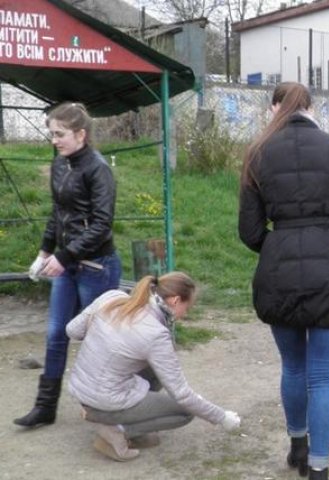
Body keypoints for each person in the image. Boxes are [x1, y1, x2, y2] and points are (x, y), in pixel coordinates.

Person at [238, 82, 329, 480]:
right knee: (319, 375)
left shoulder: (257, 153)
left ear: (275, 108)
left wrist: (279, 244)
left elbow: (249, 231)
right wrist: (326, 231)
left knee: (293, 368)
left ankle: (297, 445)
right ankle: (319, 468)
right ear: (311, 107)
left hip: (278, 271)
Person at [14, 102, 122, 428]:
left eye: (60, 134)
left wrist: (63, 256)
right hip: (67, 264)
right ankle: (45, 408)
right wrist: (46, 250)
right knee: (55, 334)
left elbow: (102, 224)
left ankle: (117, 403)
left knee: (101, 340)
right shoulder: (60, 164)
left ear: (81, 134)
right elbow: (58, 212)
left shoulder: (98, 168)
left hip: (97, 267)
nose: (54, 140)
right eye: (52, 134)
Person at [65, 272, 241, 461]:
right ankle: (116, 430)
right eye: (186, 307)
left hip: (82, 388)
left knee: (155, 371)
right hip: (105, 398)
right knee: (186, 412)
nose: (186, 314)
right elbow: (181, 394)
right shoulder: (156, 335)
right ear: (174, 300)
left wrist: (107, 337)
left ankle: (110, 418)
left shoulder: (113, 297)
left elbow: (72, 330)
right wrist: (222, 417)